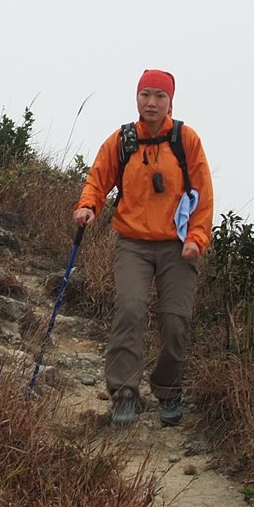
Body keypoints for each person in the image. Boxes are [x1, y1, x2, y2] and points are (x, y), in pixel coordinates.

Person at [72, 69, 214, 426]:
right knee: (129, 311)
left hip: (178, 246)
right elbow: (97, 179)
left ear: (170, 101)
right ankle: (124, 393)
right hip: (132, 244)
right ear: (136, 97)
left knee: (175, 321)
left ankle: (168, 390)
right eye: (145, 94)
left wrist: (196, 239)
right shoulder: (122, 140)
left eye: (159, 96)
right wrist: (88, 206)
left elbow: (203, 193)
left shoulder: (186, 140)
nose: (151, 102)